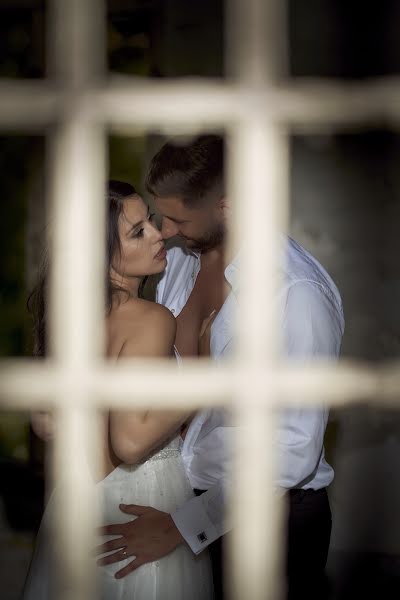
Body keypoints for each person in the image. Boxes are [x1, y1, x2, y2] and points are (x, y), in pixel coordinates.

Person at [97, 136, 345, 600]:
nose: (165, 231)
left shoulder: (294, 293)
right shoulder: (176, 266)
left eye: (177, 219)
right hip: (176, 501)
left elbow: (292, 449)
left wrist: (182, 527)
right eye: (158, 216)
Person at [22, 180, 213, 600]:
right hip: (137, 507)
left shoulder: (68, 319)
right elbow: (128, 443)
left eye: (148, 220)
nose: (159, 234)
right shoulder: (149, 318)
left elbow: (46, 423)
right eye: (137, 232)